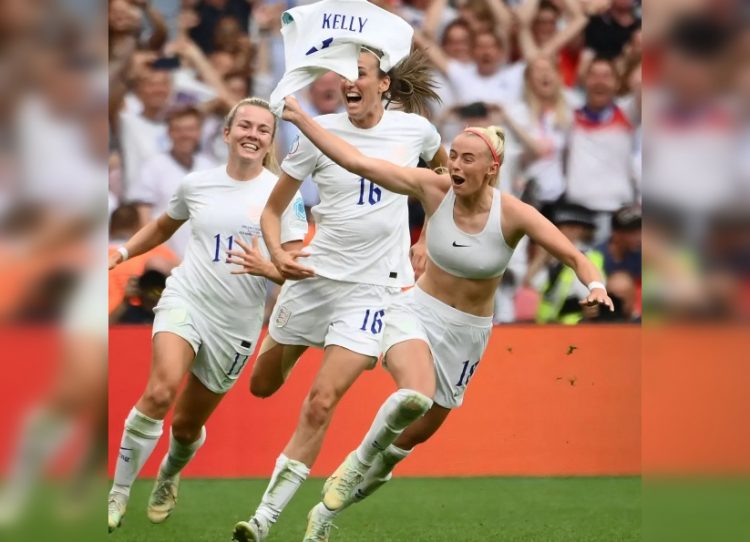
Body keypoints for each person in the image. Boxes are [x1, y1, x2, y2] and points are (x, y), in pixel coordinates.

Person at [278, 95, 613, 540]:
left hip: (468, 334)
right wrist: (302, 118)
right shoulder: (433, 188)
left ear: (491, 168)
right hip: (415, 313)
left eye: (467, 158)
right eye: (452, 155)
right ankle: (355, 461)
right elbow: (357, 162)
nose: (454, 164)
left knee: (405, 444)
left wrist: (595, 285)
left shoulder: (513, 215)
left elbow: (573, 255)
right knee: (414, 395)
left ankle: (325, 515)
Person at [231, 49, 447, 542]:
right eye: (343, 77)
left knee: (320, 401)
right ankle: (287, 347)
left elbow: (447, 186)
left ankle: (263, 520)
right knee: (262, 386)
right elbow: (272, 211)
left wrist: (427, 238)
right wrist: (277, 256)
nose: (350, 84)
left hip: (371, 290)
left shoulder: (416, 132)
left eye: (360, 76)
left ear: (384, 84)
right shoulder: (318, 133)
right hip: (312, 279)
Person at [107, 97, 308, 533]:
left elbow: (295, 268)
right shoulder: (197, 184)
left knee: (184, 426)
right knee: (160, 392)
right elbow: (163, 226)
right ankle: (119, 490)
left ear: (270, 140)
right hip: (187, 297)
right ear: (227, 133)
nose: (252, 135)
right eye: (246, 126)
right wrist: (122, 253)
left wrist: (267, 268)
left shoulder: (282, 196)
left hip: (236, 324)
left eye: (262, 130)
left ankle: (169, 474)